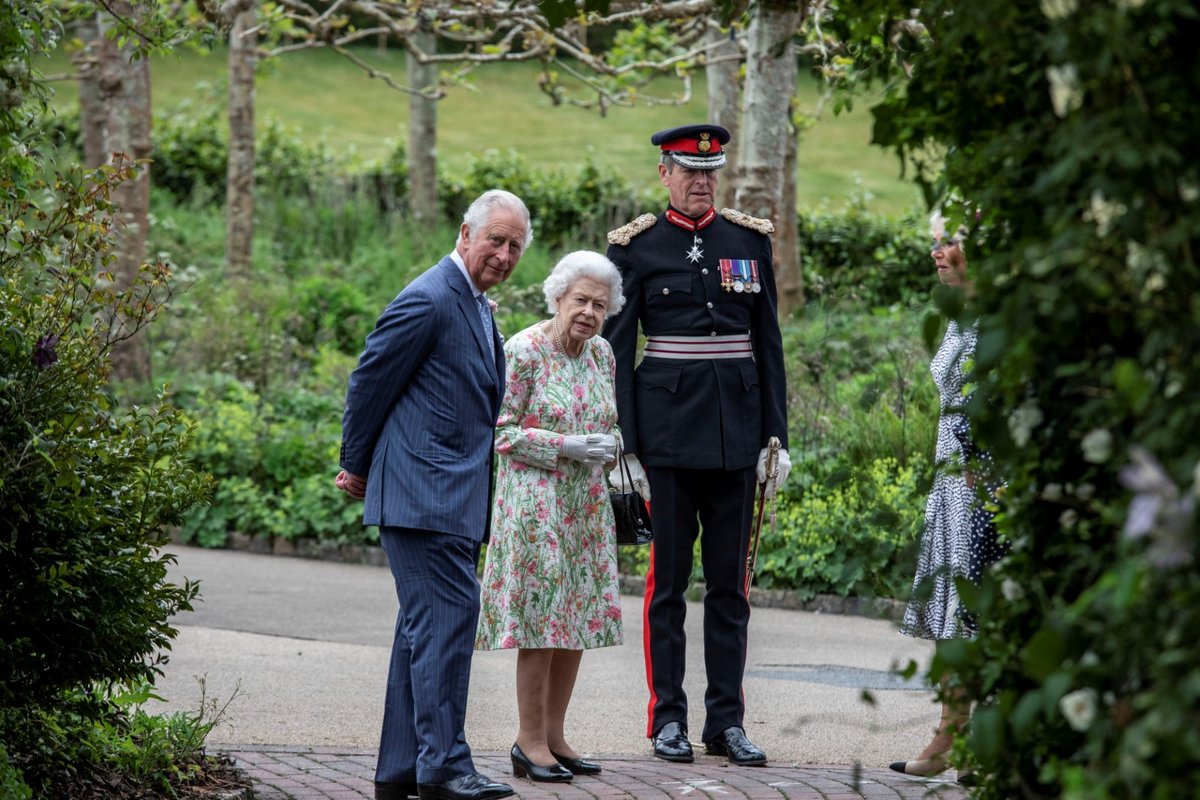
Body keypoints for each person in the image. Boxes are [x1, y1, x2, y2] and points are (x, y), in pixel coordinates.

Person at [602, 123, 791, 767]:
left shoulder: (748, 241)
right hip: (667, 441)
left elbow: (769, 348)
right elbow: (618, 351)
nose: (701, 180)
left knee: (731, 589)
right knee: (668, 588)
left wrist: (775, 437)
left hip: (737, 438)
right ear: (664, 173)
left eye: (710, 170)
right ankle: (668, 720)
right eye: (688, 169)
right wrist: (626, 446)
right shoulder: (636, 247)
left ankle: (726, 722)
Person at [335, 189, 531, 800]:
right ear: (464, 233)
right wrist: (355, 464)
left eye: (514, 246)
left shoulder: (474, 303)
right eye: (494, 240)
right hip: (422, 494)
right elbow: (370, 378)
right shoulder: (428, 297)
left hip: (449, 495)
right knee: (448, 622)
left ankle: (400, 771)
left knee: (422, 632)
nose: (502, 254)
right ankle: (444, 767)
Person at [475, 250, 627, 784]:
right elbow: (500, 431)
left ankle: (556, 735)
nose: (588, 312)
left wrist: (609, 445)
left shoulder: (603, 354)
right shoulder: (522, 350)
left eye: (600, 305)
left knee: (577, 620)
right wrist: (564, 445)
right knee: (541, 622)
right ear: (558, 297)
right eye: (580, 300)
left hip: (585, 508)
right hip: (536, 507)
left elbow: (606, 419)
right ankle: (528, 740)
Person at [891, 211, 1002, 781]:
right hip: (953, 484)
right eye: (934, 242)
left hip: (989, 487)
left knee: (982, 615)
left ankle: (985, 740)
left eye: (950, 242)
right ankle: (950, 736)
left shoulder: (1003, 320)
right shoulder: (962, 315)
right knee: (954, 619)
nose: (938, 252)